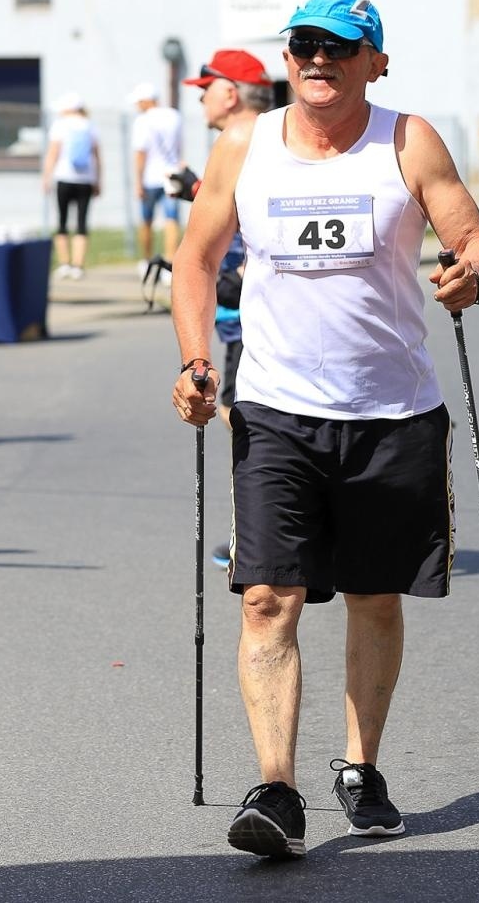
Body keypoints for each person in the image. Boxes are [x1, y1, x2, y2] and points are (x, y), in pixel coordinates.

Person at [171, 0, 479, 859]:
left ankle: (361, 767)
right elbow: (196, 259)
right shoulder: (245, 144)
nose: (318, 59)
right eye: (304, 46)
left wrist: (472, 274)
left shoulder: (407, 140)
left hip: (392, 412)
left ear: (375, 61)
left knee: (373, 595)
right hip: (277, 411)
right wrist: (194, 360)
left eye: (339, 47)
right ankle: (275, 791)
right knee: (266, 598)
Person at [181, 48, 276, 569]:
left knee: (244, 417)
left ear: (231, 92)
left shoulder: (252, 142)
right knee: (241, 414)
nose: (199, 97)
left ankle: (259, 535)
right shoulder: (261, 141)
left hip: (252, 315)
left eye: (206, 87)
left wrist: (229, 279)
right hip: (236, 309)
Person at [41, 92, 101, 280]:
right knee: (82, 222)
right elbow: (97, 156)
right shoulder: (90, 125)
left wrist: (46, 177)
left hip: (64, 178)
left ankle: (64, 263)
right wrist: (98, 180)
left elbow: (53, 153)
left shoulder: (60, 125)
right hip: (86, 180)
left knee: (62, 221)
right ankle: (78, 265)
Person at [128, 82, 185, 275]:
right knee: (171, 220)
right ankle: (170, 261)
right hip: (172, 174)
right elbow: (178, 147)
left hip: (150, 177)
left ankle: (147, 259)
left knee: (146, 220)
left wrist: (138, 181)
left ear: (145, 101)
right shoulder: (174, 116)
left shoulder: (142, 121)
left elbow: (140, 153)